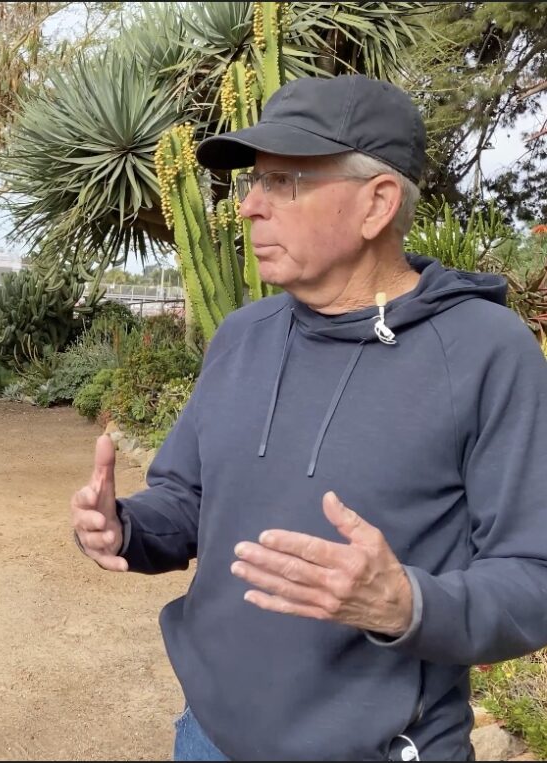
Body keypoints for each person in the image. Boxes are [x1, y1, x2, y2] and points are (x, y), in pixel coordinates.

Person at [71, 74, 547, 761]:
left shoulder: (484, 353)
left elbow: (534, 573)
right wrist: (126, 526)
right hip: (205, 738)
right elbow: (188, 497)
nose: (248, 209)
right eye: (252, 183)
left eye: (283, 182)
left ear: (377, 203)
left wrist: (405, 603)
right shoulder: (243, 334)